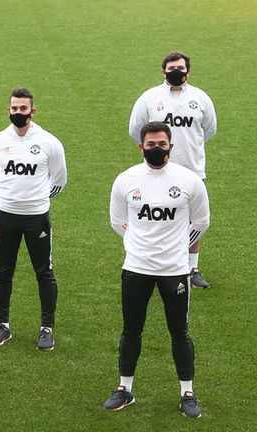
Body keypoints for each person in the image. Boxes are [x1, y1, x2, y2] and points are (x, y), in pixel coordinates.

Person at [105, 122, 209, 418]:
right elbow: (117, 221)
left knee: (179, 332)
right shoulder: (126, 180)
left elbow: (201, 222)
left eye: (162, 144)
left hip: (174, 270)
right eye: (150, 144)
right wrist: (138, 245)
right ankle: (125, 389)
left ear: (171, 146)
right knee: (131, 329)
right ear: (141, 147)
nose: (156, 148)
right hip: (136, 268)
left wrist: (177, 248)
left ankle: (187, 393)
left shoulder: (189, 181)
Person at [0, 88, 67, 351]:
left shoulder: (49, 142)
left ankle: (47, 328)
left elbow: (59, 179)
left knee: (44, 273)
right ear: (8, 110)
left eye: (23, 109)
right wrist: (12, 197)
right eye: (14, 108)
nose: (18, 113)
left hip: (37, 218)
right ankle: (3, 325)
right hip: (5, 215)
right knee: (3, 271)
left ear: (33, 111)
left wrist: (38, 199)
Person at [129, 51, 217, 288]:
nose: (176, 71)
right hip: (155, 169)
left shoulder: (200, 98)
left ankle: (192, 268)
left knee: (194, 218)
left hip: (192, 170)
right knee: (155, 213)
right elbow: (135, 129)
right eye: (171, 68)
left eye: (180, 67)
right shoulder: (149, 98)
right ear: (163, 71)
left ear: (188, 70)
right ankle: (152, 264)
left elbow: (209, 130)